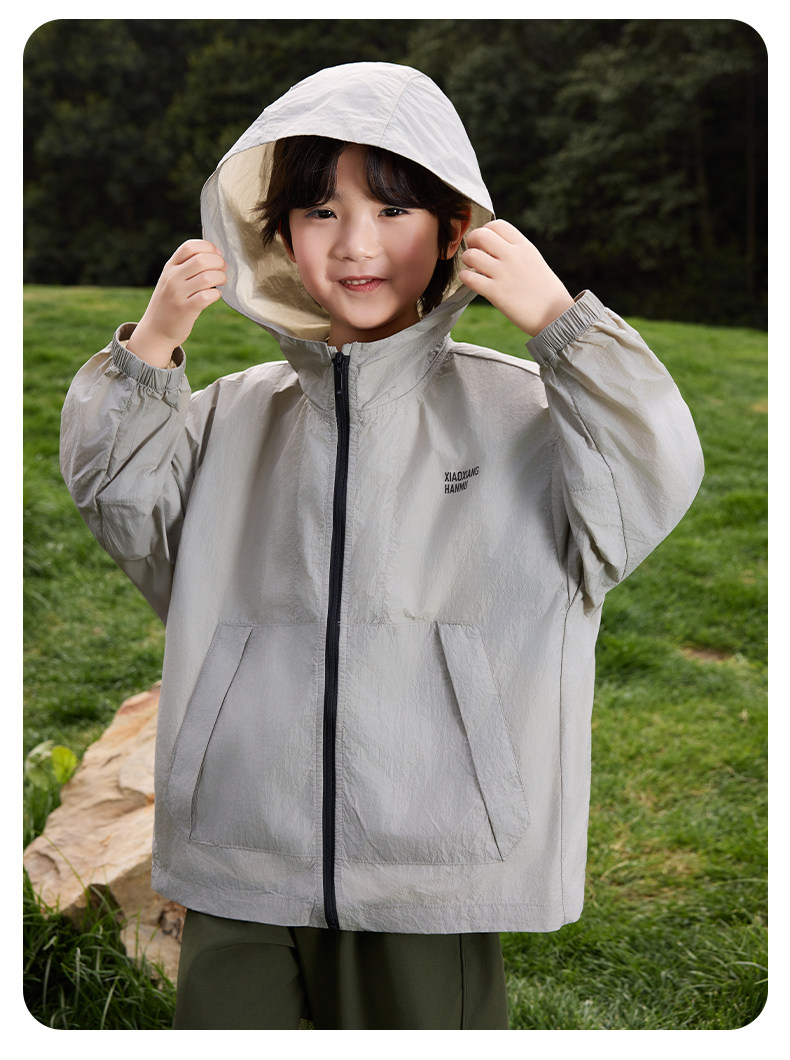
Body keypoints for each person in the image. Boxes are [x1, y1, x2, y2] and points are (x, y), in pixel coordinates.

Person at [60, 62, 704, 1030]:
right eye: (319, 212)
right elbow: (122, 504)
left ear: (454, 229)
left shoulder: (525, 414)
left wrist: (562, 326)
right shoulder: (232, 416)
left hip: (430, 860)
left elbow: (651, 477)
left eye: (394, 210)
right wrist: (151, 347)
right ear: (277, 236)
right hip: (238, 844)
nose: (356, 244)